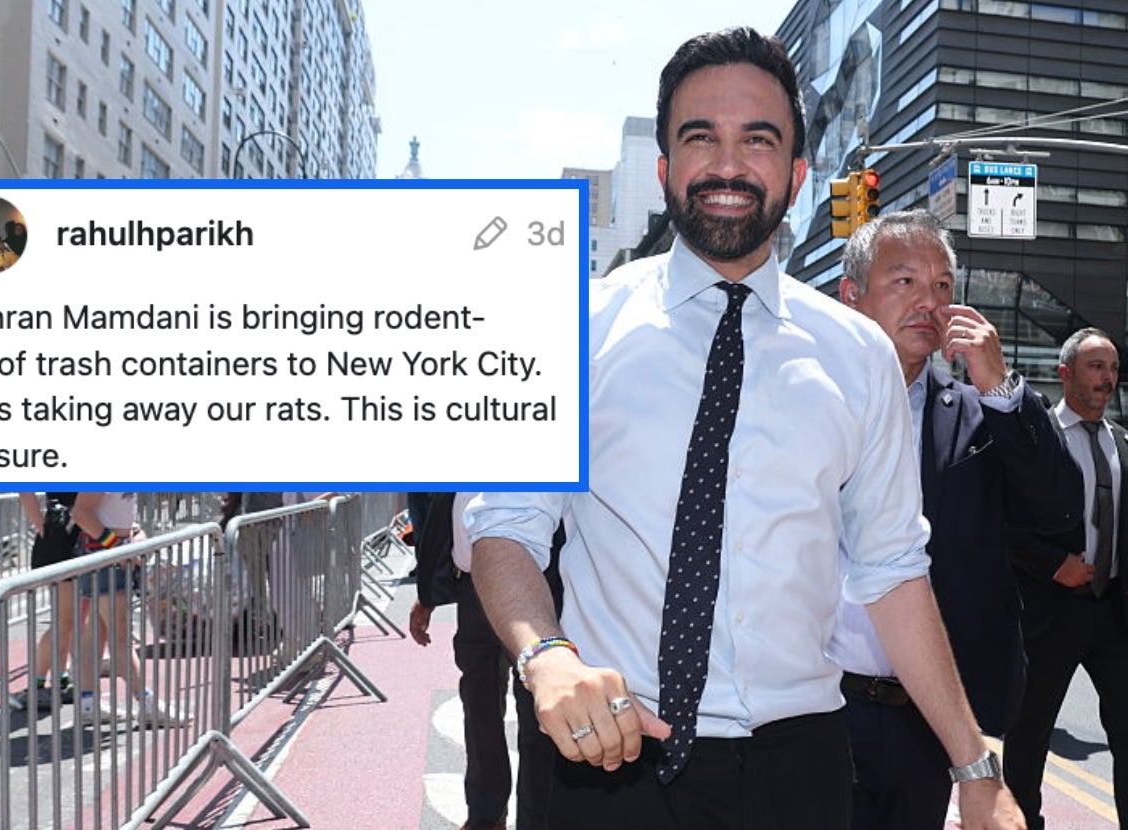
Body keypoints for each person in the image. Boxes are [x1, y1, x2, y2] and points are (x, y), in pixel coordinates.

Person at [466, 27, 1023, 830]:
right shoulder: (579, 328)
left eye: (758, 141)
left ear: (797, 175)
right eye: (701, 138)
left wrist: (976, 766)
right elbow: (505, 530)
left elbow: (894, 571)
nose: (728, 166)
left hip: (800, 771)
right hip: (607, 759)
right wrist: (545, 655)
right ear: (664, 168)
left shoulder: (858, 355)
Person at [831, 210, 1083, 829]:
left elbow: (1058, 510)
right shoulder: (807, 402)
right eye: (906, 281)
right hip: (817, 707)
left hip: (931, 716)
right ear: (851, 295)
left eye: (943, 286)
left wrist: (1000, 387)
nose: (929, 301)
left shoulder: (976, 413)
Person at [1003, 328, 1128, 830]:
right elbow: (1002, 524)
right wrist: (1055, 564)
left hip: (1113, 614)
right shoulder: (1037, 441)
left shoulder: (1123, 441)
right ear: (1065, 373)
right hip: (1051, 610)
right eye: (1097, 367)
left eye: (1114, 369)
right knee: (1030, 736)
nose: (1108, 379)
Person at [409, 494, 565, 830]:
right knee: (479, 708)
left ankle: (536, 820)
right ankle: (485, 816)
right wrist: (427, 596)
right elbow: (442, 523)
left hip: (535, 593)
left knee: (539, 717)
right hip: (472, 592)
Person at [71, 492, 186, 727]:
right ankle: (145, 701)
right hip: (104, 555)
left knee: (98, 631)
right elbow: (81, 513)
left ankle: (88, 703)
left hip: (109, 553)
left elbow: (118, 515)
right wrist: (117, 546)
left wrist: (134, 535)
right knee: (119, 633)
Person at [16, 492, 80, 710]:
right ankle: (38, 682)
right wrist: (40, 523)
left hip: (82, 532)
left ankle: (59, 677)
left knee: (71, 620)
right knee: (66, 619)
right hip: (65, 535)